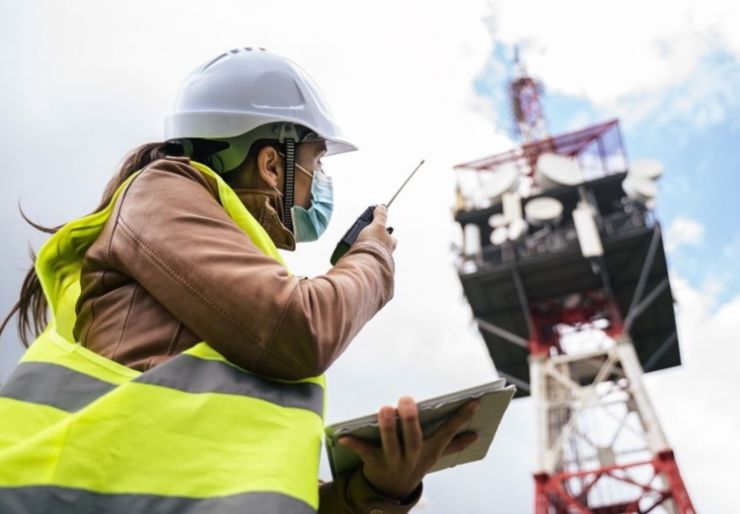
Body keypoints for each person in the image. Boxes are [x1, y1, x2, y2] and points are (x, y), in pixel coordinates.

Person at [0, 48, 478, 513]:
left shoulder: (232, 273)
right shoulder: (163, 191)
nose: (320, 181)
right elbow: (300, 326)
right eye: (318, 164)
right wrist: (371, 256)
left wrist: (376, 489)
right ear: (273, 165)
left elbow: (248, 486)